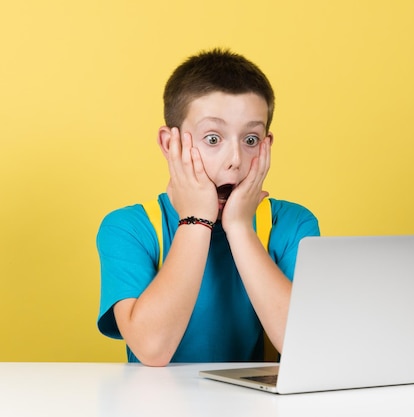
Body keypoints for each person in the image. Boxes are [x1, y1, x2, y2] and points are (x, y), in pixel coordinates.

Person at [96, 48, 320, 366]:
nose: (235, 160)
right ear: (170, 144)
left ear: (268, 145)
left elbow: (305, 346)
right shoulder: (129, 227)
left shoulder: (292, 223)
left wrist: (241, 228)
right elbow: (152, 349)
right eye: (213, 139)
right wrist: (196, 221)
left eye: (251, 140)